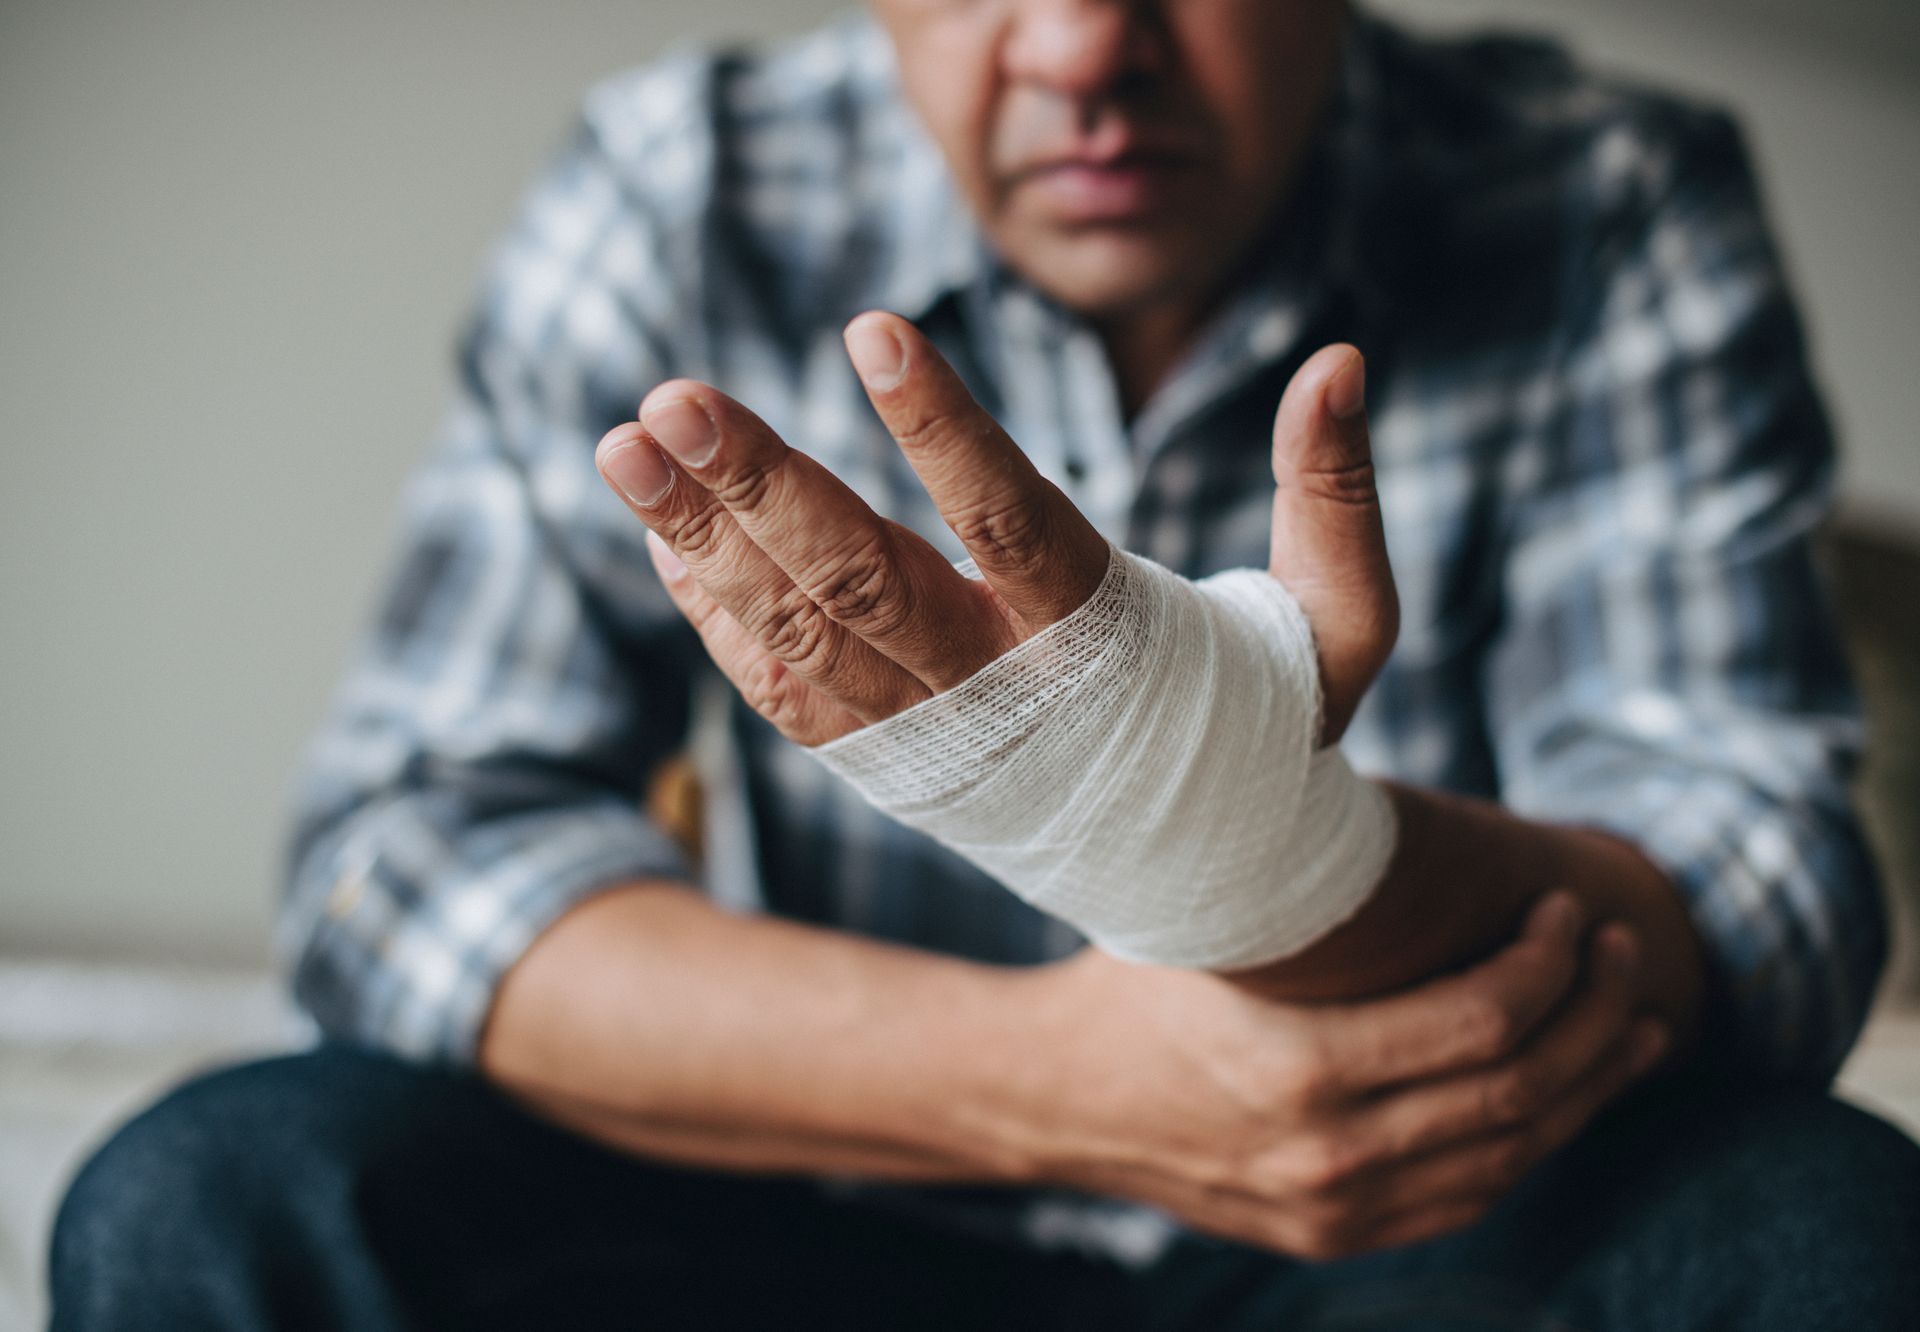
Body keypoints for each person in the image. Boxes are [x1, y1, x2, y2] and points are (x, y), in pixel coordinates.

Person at [50, 2, 1920, 1327]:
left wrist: (1263, 867)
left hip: (1420, 1223)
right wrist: (1064, 1076)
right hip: (820, 1211)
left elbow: (1754, 893)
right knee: (218, 1194)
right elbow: (405, 857)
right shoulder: (674, 185)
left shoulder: (1609, 196)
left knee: (1825, 1223)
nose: (1083, 46)